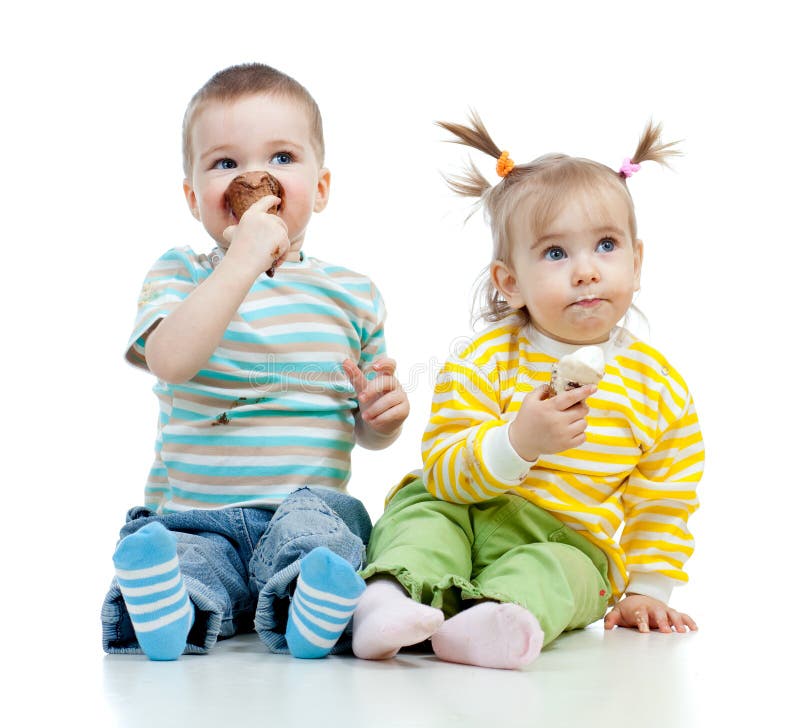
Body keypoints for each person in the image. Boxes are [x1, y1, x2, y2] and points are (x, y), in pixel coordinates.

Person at [352, 112, 702, 670]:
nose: (586, 271)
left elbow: (664, 498)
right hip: (464, 507)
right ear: (510, 281)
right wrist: (516, 442)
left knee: (566, 574)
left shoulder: (657, 386)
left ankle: (494, 618)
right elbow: (442, 465)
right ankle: (388, 600)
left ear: (637, 262)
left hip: (567, 539)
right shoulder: (483, 359)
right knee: (422, 520)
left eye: (606, 245)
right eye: (556, 253)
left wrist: (649, 590)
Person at [101, 63, 409, 661]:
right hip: (198, 515)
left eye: (282, 157)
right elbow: (170, 361)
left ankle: (311, 607)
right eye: (224, 163)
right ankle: (173, 610)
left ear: (320, 189)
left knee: (321, 539)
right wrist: (241, 258)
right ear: (194, 198)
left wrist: (381, 417)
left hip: (304, 505)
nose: (255, 176)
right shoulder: (182, 273)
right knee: (185, 557)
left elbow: (363, 427)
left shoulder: (353, 293)